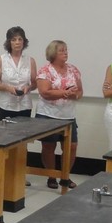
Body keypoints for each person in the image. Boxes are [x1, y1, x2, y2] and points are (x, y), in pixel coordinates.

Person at [35, 39, 82, 189]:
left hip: (68, 116)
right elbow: (45, 92)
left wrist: (74, 94)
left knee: (72, 146)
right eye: (61, 50)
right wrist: (65, 93)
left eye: (66, 50)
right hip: (48, 115)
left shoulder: (73, 70)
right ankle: (51, 176)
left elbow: (80, 92)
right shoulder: (45, 71)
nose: (65, 53)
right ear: (53, 53)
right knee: (49, 146)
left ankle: (65, 176)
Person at [0, 26, 36, 121]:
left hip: (25, 106)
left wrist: (28, 88)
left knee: (25, 129)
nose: (17, 42)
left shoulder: (30, 60)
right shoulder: (1, 60)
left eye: (20, 39)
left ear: (24, 42)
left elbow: (35, 84)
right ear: (9, 42)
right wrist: (7, 88)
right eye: (14, 40)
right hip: (6, 105)